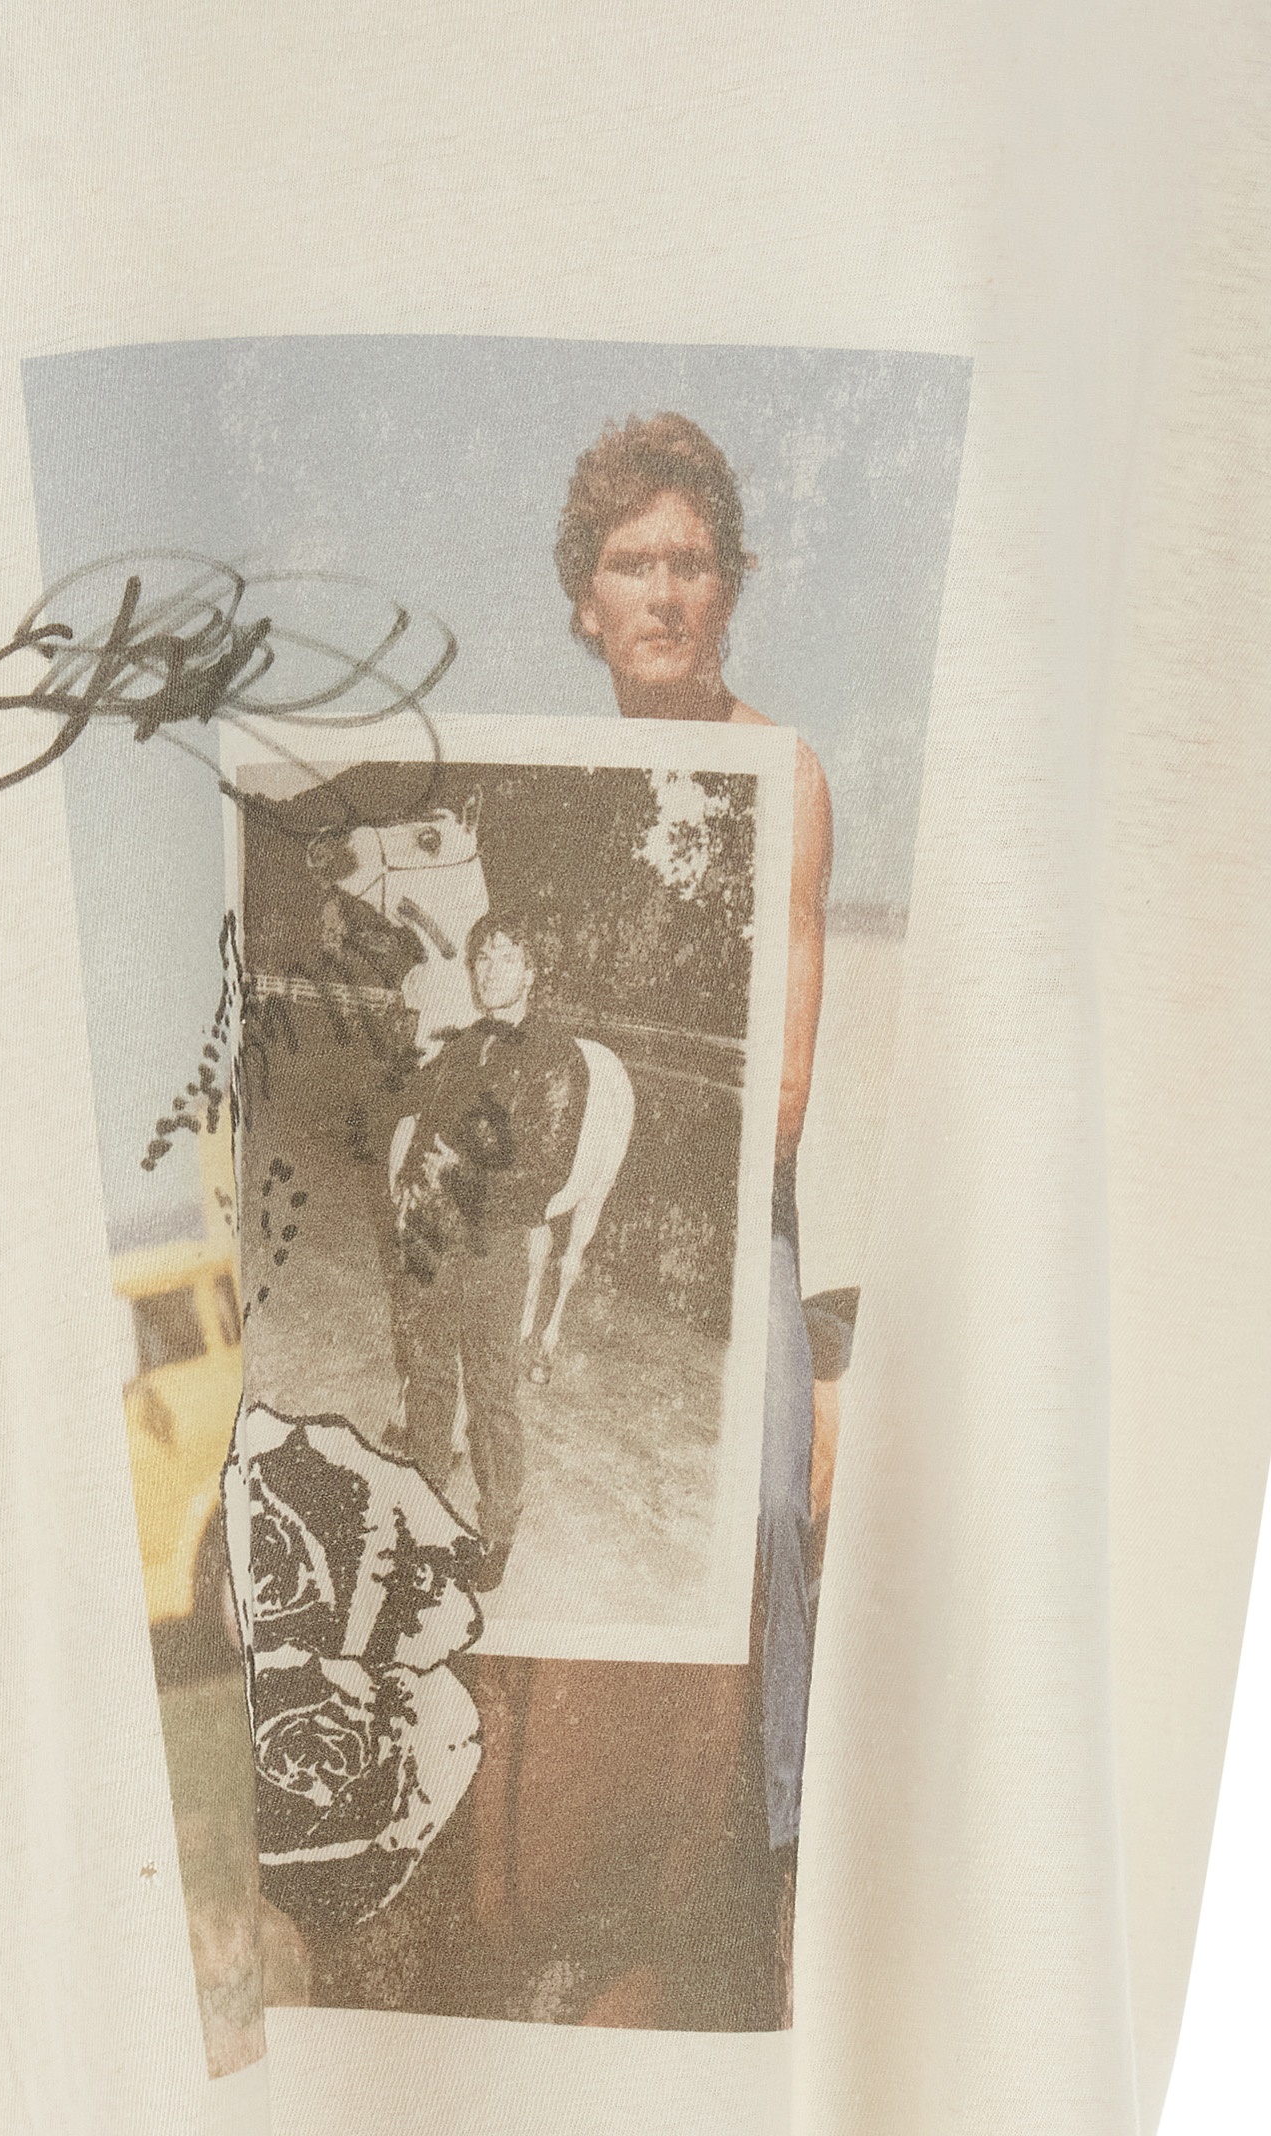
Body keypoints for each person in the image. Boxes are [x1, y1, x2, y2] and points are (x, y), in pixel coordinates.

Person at [555, 412, 835, 1862]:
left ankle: (784, 1849)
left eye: (691, 562)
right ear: (582, 603)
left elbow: (779, 1102)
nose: (662, 594)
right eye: (630, 564)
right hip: (580, 1208)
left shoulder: (785, 772)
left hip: (730, 1221)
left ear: (729, 586)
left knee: (773, 1494)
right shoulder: (551, 791)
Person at [391, 911, 589, 1592]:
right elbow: (428, 1126)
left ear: (531, 972)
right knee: (426, 1371)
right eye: (483, 958)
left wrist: (463, 1177)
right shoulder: (466, 1043)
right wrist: (410, 1185)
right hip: (431, 1232)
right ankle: (421, 1497)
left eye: (507, 958)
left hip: (493, 1243)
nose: (491, 970)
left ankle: (496, 1530)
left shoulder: (557, 1059)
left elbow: (548, 1173)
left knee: (489, 1389)